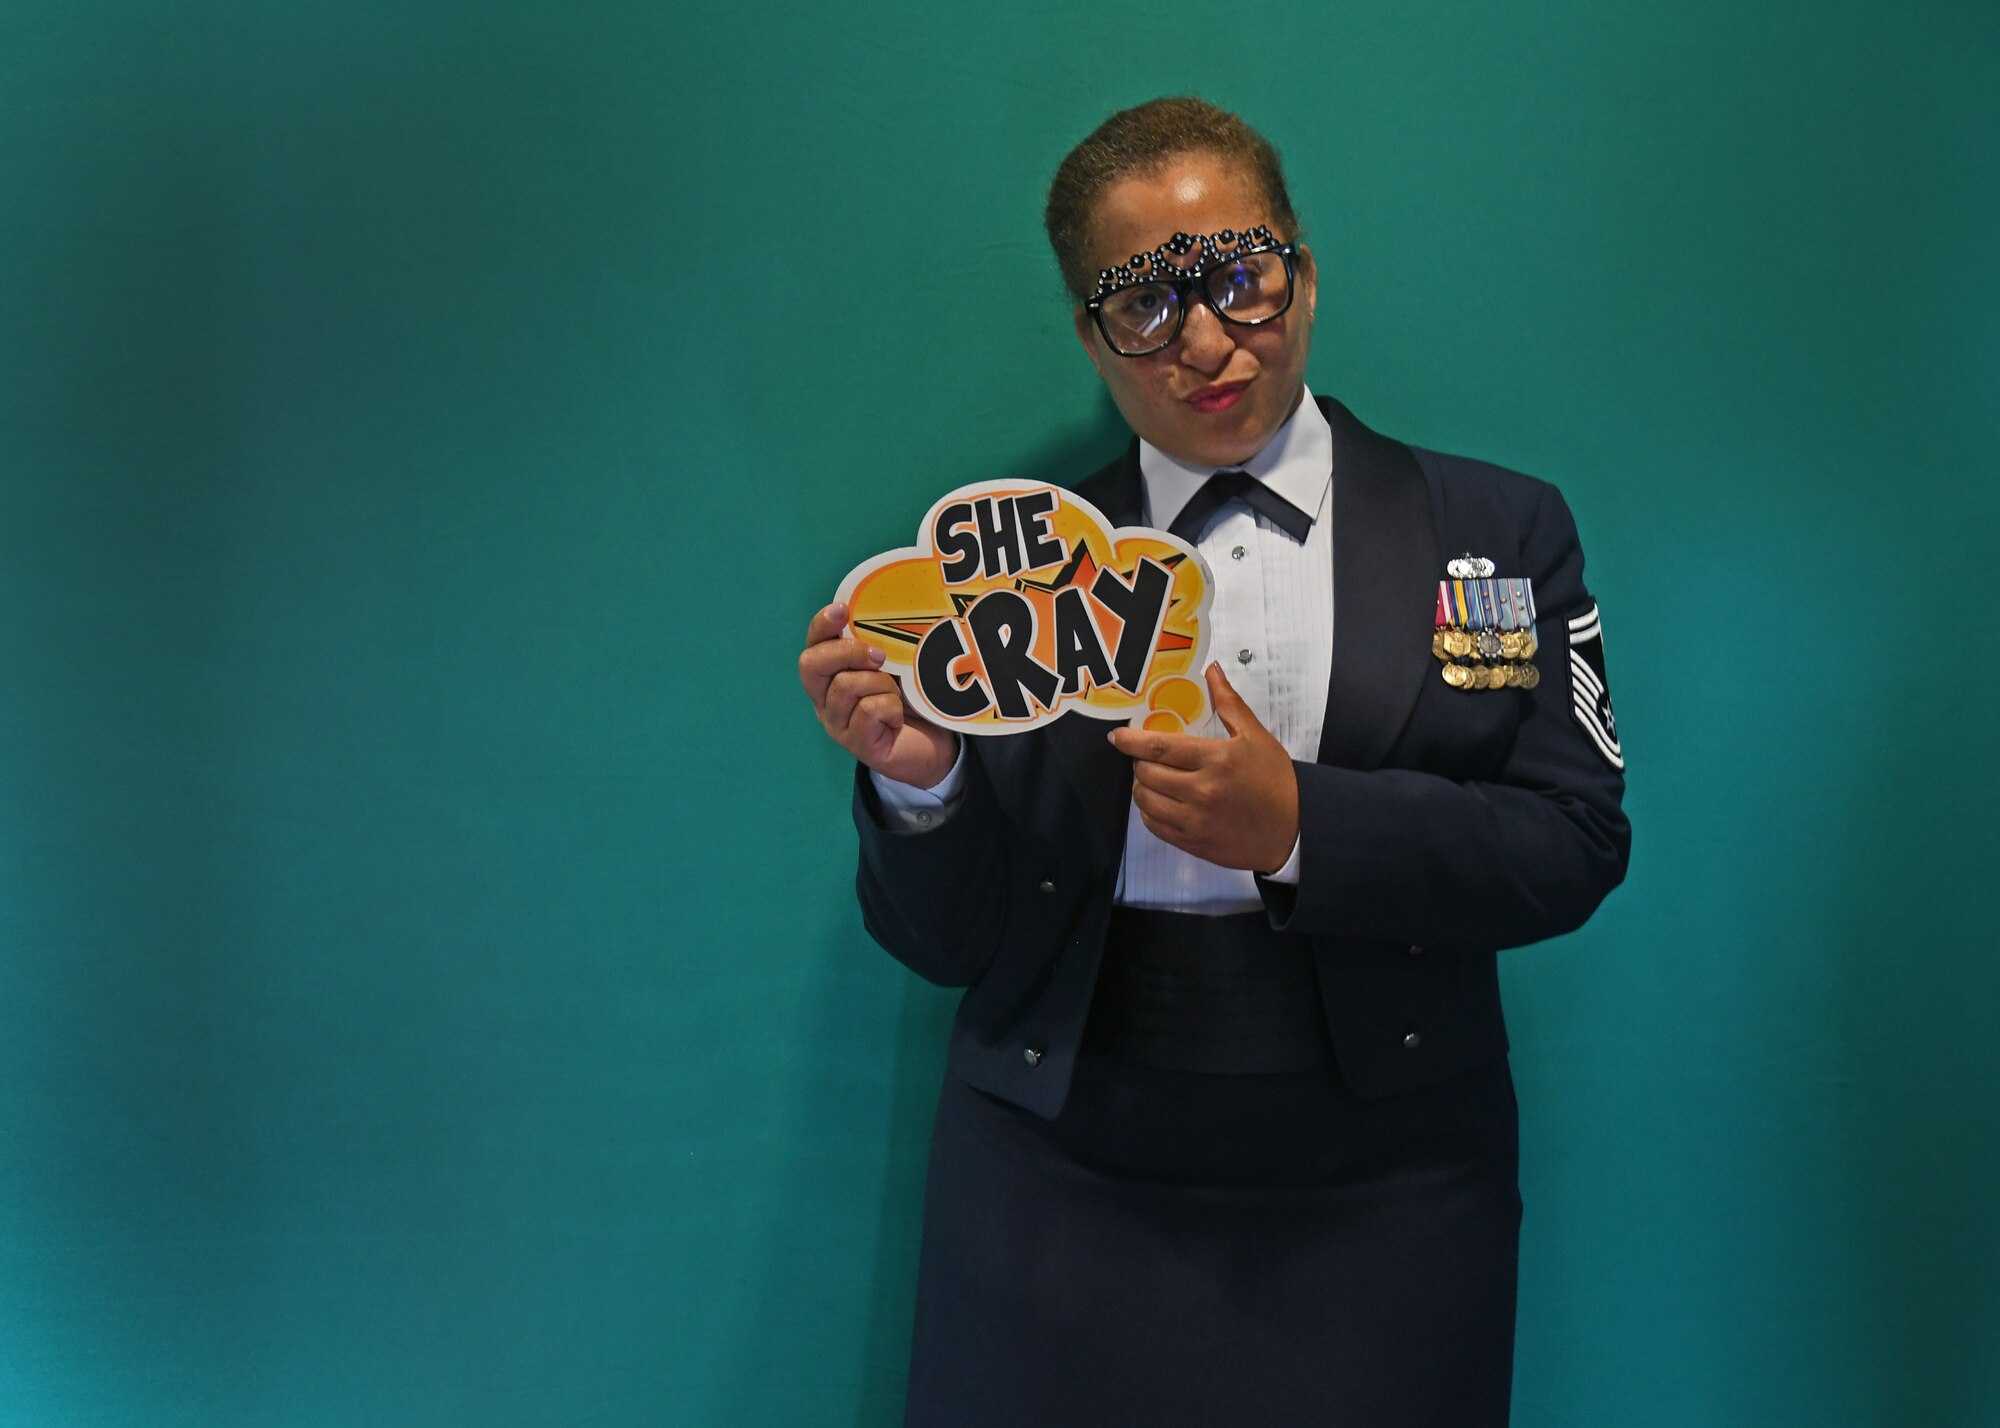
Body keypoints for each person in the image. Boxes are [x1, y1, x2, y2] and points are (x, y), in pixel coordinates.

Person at [798, 96, 1629, 1428]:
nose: (1204, 342)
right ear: (1089, 334)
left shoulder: (1499, 528)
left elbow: (1574, 844)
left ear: (1302, 266)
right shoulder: (999, 576)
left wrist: (1300, 824)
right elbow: (951, 942)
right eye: (1144, 306)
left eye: (1240, 277)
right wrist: (921, 781)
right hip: (1057, 1155)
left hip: (1394, 1170)